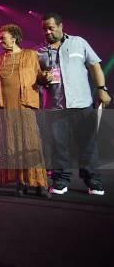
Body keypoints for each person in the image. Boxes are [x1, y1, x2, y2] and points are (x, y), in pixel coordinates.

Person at [37, 12, 111, 195]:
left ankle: (93, 181)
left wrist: (102, 89)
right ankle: (60, 181)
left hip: (82, 103)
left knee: (88, 144)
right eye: (44, 29)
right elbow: (35, 78)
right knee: (58, 146)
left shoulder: (79, 42)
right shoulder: (39, 51)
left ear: (61, 26)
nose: (47, 32)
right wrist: (41, 77)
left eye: (51, 28)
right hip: (55, 106)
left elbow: (94, 66)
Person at [0, 24, 49, 197]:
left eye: (3, 37)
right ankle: (20, 182)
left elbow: (39, 76)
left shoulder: (30, 55)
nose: (0, 41)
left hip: (24, 105)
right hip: (6, 107)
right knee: (11, 144)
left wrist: (45, 77)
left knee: (30, 143)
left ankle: (38, 183)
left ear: (14, 38)